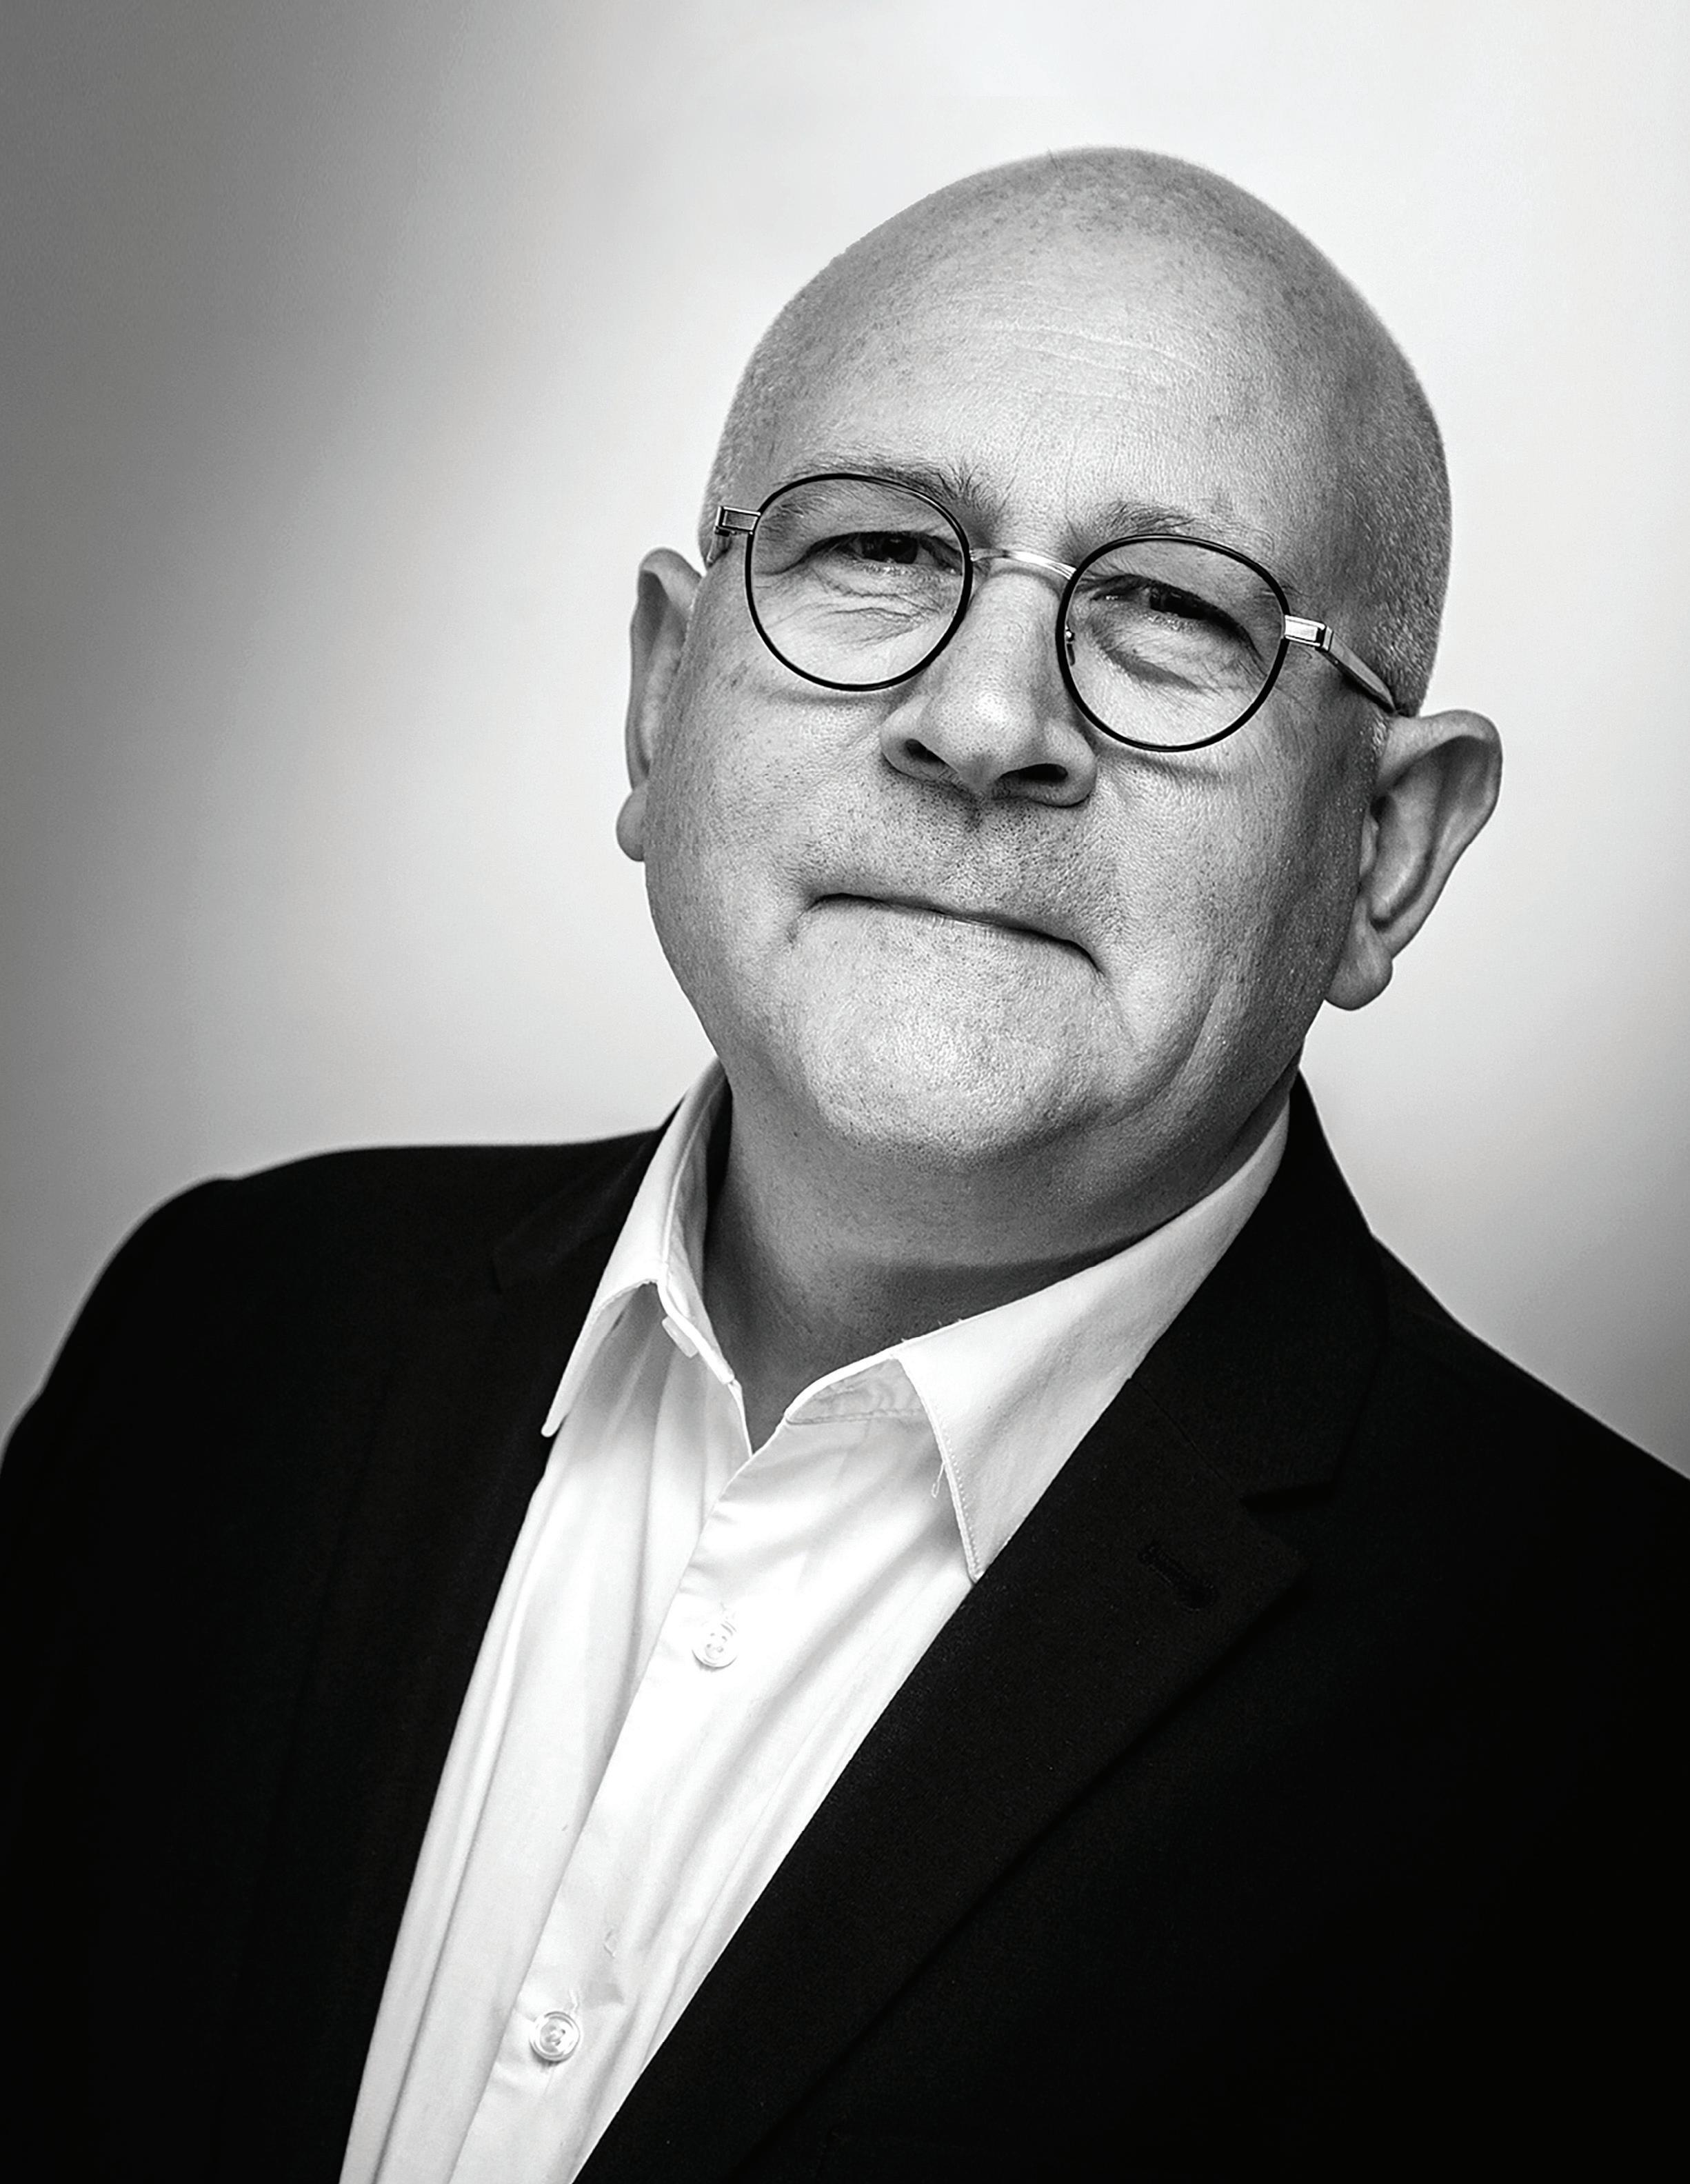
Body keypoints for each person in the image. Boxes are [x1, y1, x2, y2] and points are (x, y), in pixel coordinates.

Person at [1, 148, 1685, 2184]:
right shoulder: (225, 1335)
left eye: (1173, 610)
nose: (982, 721)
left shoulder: (1623, 1723)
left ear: (1383, 851)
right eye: (880, 548)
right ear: (660, 699)